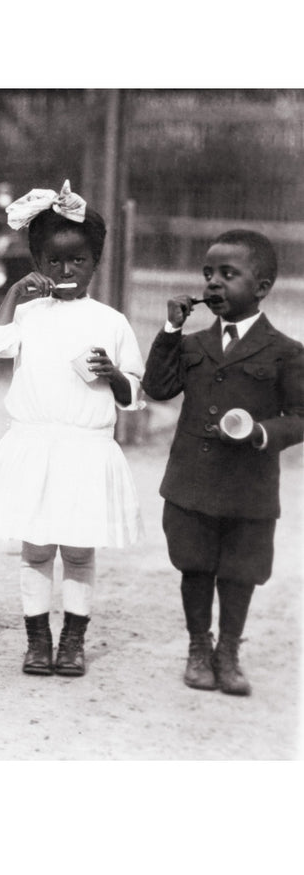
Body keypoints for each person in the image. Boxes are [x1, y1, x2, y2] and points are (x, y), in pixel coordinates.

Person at [0, 180, 145, 677]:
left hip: (85, 449)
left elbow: (135, 392)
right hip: (36, 444)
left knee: (77, 548)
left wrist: (113, 375)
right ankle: (37, 639)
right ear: (37, 261)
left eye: (78, 261)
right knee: (36, 547)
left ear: (96, 263)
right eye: (53, 261)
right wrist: (12, 296)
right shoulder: (27, 314)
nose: (66, 271)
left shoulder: (111, 321)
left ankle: (73, 639)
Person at [142, 229, 304, 696]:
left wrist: (260, 433)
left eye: (228, 275)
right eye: (208, 274)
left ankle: (228, 650)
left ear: (262, 286)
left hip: (248, 489)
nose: (213, 284)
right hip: (193, 482)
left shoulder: (285, 352)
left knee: (239, 571)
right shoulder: (191, 344)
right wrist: (171, 330)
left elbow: (299, 417)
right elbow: (158, 387)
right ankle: (199, 646)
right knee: (195, 566)